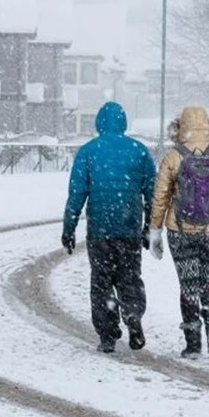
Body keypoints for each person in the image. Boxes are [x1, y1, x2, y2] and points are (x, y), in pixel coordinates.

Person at [146, 106, 209, 358]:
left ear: (179, 126)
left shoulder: (173, 156)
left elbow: (160, 197)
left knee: (188, 285)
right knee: (207, 281)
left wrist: (155, 230)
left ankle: (192, 343)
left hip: (180, 231)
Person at [62, 101, 157, 354]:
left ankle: (107, 333)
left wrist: (69, 228)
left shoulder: (88, 152)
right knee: (129, 278)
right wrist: (149, 226)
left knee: (101, 281)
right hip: (129, 228)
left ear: (99, 123)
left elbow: (77, 194)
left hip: (100, 230)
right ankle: (133, 315)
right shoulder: (139, 151)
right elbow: (153, 193)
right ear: (124, 122)